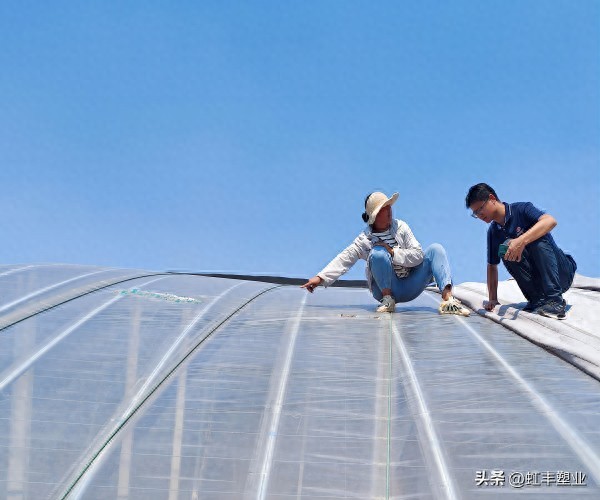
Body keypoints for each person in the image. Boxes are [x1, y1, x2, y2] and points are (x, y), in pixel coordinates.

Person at [301, 191, 470, 315]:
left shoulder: (401, 227)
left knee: (436, 249)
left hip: (411, 285)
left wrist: (394, 252)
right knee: (378, 253)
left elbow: (418, 256)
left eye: (389, 206)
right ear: (374, 216)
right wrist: (319, 278)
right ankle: (388, 300)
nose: (389, 210)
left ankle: (448, 300)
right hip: (384, 290)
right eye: (384, 208)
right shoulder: (364, 240)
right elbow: (344, 259)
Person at [465, 182, 577, 320]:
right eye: (475, 213)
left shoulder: (521, 209)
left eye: (480, 209)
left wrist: (521, 241)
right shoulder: (494, 232)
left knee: (536, 239)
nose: (479, 215)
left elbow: (550, 221)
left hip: (561, 274)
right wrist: (492, 299)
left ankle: (556, 301)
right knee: (506, 250)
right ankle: (537, 300)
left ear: (492, 199)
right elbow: (492, 266)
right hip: (539, 282)